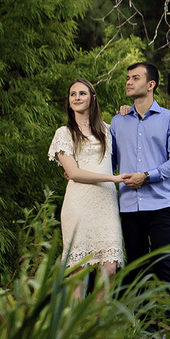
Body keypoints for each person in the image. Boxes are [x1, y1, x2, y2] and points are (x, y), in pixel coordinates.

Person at [47, 79, 125, 299]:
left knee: (109, 268)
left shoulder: (109, 130)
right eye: (73, 94)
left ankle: (98, 326)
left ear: (93, 97)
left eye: (82, 93)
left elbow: (128, 148)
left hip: (106, 205)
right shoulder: (64, 133)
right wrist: (114, 178)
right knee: (78, 269)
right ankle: (75, 325)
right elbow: (74, 173)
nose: (77, 98)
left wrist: (127, 112)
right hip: (78, 204)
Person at [110, 61, 170, 284]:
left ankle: (168, 318)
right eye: (127, 78)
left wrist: (146, 176)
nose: (129, 82)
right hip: (129, 206)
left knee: (162, 265)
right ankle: (141, 319)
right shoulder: (117, 121)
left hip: (161, 206)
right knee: (135, 270)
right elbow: (110, 162)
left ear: (151, 84)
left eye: (135, 78)